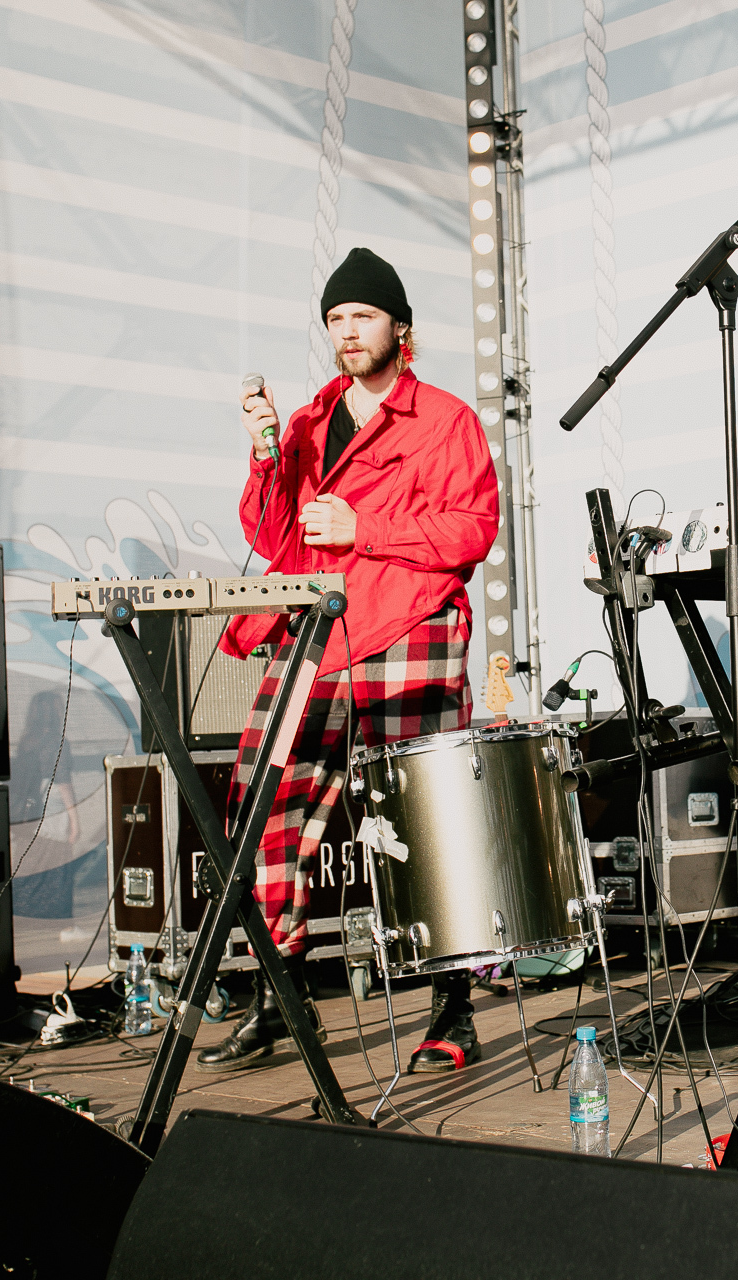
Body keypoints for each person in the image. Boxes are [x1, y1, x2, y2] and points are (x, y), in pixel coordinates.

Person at [197, 247, 501, 1076]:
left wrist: (367, 530)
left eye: (362, 316)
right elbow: (274, 536)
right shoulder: (305, 422)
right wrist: (264, 452)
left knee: (430, 814)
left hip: (409, 626)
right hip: (317, 632)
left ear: (400, 327)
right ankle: (281, 1000)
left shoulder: (444, 419)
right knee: (263, 808)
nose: (348, 331)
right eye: (335, 319)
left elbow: (472, 529)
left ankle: (452, 1007)